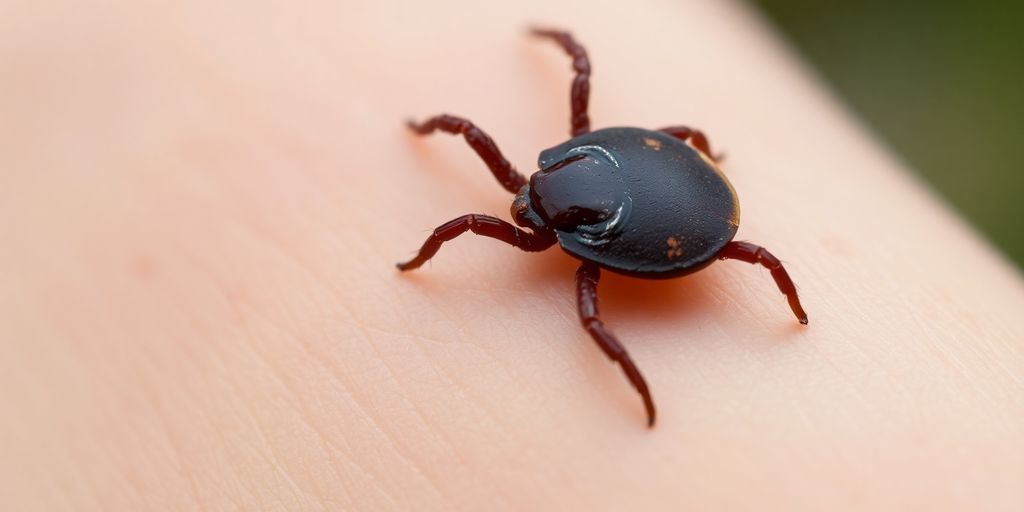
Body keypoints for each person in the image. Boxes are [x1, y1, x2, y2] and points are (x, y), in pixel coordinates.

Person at [2, 0, 1022, 509]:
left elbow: (521, 185)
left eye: (533, 202)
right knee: (718, 242)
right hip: (676, 199)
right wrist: (696, 148)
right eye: (533, 197)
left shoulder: (553, 236)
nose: (519, 205)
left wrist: (423, 255)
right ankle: (743, 315)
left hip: (683, 220)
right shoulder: (552, 191)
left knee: (617, 299)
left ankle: (710, 349)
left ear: (554, 202)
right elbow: (593, 80)